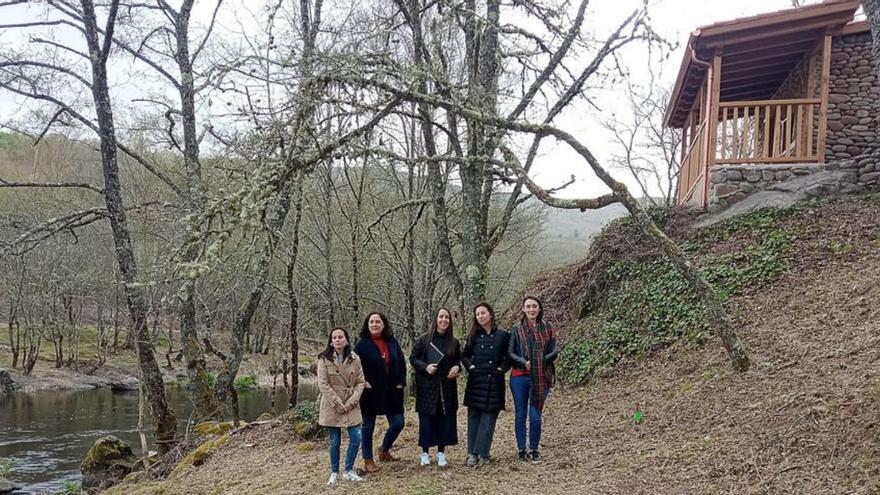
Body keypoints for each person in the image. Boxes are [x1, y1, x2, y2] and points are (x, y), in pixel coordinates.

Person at [354, 312, 407, 473]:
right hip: (370, 392)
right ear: (367, 325)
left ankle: (384, 449)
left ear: (384, 324)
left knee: (398, 423)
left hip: (392, 391)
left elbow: (402, 361)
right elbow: (355, 368)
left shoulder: (392, 342)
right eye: (371, 322)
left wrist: (402, 381)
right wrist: (363, 382)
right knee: (368, 426)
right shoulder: (362, 345)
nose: (375, 324)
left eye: (378, 321)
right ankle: (368, 459)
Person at [508, 295, 559, 463]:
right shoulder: (517, 329)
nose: (531, 309)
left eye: (534, 306)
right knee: (521, 413)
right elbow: (511, 352)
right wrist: (524, 362)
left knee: (535, 414)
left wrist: (540, 361)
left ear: (539, 308)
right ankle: (522, 449)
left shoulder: (548, 327)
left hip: (541, 376)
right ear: (523, 309)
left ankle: (534, 448)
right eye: (528, 306)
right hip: (520, 377)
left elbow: (555, 350)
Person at [409, 308, 462, 467]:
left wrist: (457, 368)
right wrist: (425, 367)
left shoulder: (454, 342)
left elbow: (458, 361)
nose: (444, 320)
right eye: (441, 317)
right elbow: (413, 358)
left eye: (447, 317)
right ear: (436, 319)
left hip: (446, 386)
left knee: (444, 419)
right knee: (426, 419)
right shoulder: (423, 340)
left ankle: (441, 453)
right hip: (427, 386)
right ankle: (425, 453)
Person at [461, 301, 510, 467]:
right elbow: (464, 356)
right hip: (476, 382)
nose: (481, 316)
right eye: (478, 314)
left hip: (494, 382)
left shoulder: (503, 335)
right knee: (474, 418)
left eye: (483, 312)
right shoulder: (473, 336)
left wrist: (501, 369)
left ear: (490, 314)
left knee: (488, 420)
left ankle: (483, 453)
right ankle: (472, 454)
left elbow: (508, 358)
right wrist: (471, 367)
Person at [316, 327, 366, 485]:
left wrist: (352, 401)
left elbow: (360, 382)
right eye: (334, 337)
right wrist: (337, 403)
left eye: (340, 337)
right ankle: (334, 472)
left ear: (346, 340)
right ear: (331, 341)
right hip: (332, 405)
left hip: (351, 403)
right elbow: (323, 384)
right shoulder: (324, 359)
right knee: (334, 440)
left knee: (356, 437)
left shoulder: (355, 358)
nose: (337, 339)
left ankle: (349, 470)